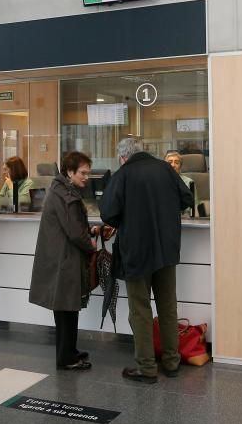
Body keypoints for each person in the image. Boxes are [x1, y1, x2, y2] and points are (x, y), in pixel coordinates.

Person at [100, 138, 193, 384]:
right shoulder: (165, 169)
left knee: (140, 310)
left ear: (123, 157)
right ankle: (172, 362)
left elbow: (108, 212)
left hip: (137, 252)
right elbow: (187, 199)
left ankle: (146, 367)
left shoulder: (124, 174)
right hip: (166, 250)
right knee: (167, 307)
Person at [29, 151, 99, 371]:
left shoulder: (61, 190)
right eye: (83, 173)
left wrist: (90, 230)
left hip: (62, 258)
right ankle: (66, 358)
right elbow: (74, 232)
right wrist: (91, 244)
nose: (86, 177)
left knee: (68, 308)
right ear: (69, 172)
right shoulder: (65, 195)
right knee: (66, 309)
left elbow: (73, 227)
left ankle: (70, 351)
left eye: (88, 173)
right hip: (64, 260)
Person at [165, 151, 198, 217]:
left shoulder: (189, 182)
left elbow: (195, 207)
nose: (173, 165)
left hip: (184, 218)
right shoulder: (158, 181)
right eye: (170, 162)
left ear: (180, 166)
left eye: (176, 162)